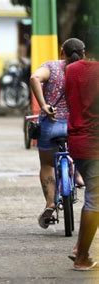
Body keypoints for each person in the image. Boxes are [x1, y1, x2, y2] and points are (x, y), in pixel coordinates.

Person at [30, 38, 86, 229]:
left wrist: (44, 105)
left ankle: (50, 203)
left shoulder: (51, 67)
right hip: (77, 125)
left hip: (51, 124)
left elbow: (34, 78)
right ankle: (78, 174)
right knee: (82, 152)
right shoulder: (87, 70)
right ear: (84, 54)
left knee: (47, 163)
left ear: (62, 52)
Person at [65, 49, 99, 270]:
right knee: (95, 200)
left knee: (91, 197)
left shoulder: (71, 69)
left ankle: (80, 248)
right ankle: (82, 257)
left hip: (77, 141)